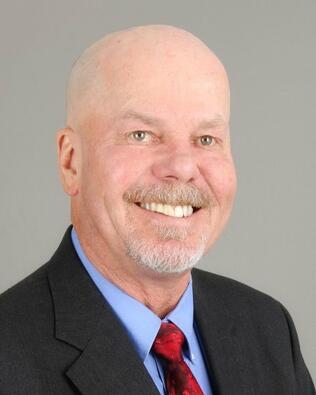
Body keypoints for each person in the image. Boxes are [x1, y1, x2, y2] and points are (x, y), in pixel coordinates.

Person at [0, 25, 314, 395]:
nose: (181, 166)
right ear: (71, 162)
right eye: (141, 135)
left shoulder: (267, 327)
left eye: (206, 139)